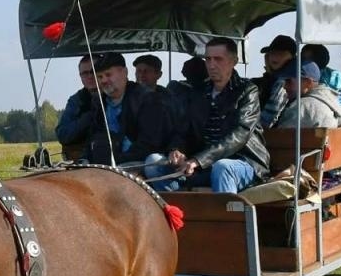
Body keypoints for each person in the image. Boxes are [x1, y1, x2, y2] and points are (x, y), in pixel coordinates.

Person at [168, 37, 269, 194]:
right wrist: (177, 150)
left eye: (218, 59)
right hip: (203, 165)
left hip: (244, 162)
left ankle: (227, 218)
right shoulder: (199, 92)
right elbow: (184, 129)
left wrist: (199, 160)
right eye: (208, 59)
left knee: (223, 168)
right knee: (154, 164)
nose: (212, 64)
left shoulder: (247, 91)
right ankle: (176, 215)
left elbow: (240, 134)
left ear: (233, 61)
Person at [83, 53, 179, 189]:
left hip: (139, 162)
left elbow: (150, 144)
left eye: (108, 75)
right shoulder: (99, 102)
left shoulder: (148, 100)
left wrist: (115, 162)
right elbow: (92, 136)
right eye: (100, 77)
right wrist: (85, 159)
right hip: (105, 165)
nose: (104, 80)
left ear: (124, 73)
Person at [275, 62, 341, 130]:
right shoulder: (332, 101)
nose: (284, 86)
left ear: (308, 83)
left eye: (288, 81)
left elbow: (279, 139)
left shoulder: (301, 107)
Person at [53, 54, 98, 161]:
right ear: (80, 77)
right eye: (85, 73)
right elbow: (63, 134)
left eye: (93, 71)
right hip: (84, 159)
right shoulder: (76, 101)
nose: (90, 76)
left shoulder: (115, 95)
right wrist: (89, 117)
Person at [255, 33, 298, 127]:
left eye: (281, 54)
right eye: (272, 53)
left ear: (292, 58)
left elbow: (268, 119)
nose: (275, 57)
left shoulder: (285, 81)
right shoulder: (268, 79)